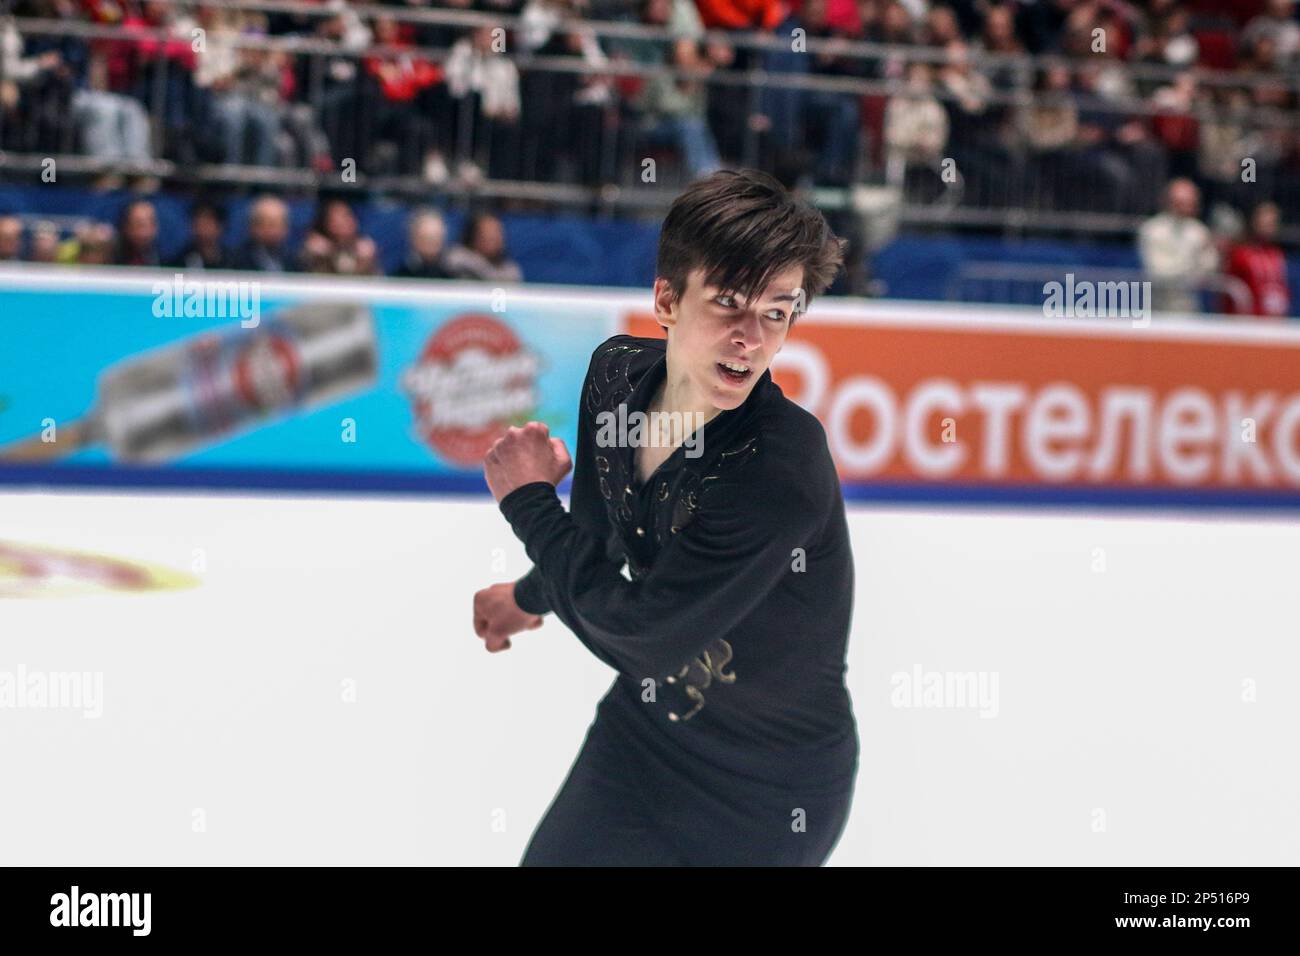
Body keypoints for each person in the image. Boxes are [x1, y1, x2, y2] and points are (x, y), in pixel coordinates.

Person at [475, 168, 858, 866]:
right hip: (642, 743)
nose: (751, 337)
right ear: (667, 299)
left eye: (777, 312)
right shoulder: (616, 375)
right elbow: (592, 540)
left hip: (769, 792)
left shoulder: (779, 468)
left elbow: (644, 635)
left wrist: (529, 503)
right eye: (729, 305)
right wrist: (529, 598)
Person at [1138, 177, 1218, 314]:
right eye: (1181, 202)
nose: (1186, 207)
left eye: (1190, 202)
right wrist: (1194, 259)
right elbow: (1158, 272)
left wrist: (1192, 271)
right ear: (1169, 201)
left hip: (1191, 309)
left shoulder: (1199, 230)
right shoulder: (1153, 230)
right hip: (1159, 309)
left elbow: (1209, 268)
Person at [1222, 202, 1291, 319]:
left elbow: (1282, 286)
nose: (1269, 226)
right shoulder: (1239, 253)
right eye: (1265, 222)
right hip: (1249, 321)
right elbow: (1229, 290)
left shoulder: (1276, 253)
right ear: (1254, 221)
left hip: (1275, 318)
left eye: (1273, 223)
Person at [443, 211, 523, 282]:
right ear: (473, 235)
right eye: (486, 233)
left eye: (496, 233)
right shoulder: (458, 260)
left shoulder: (510, 270)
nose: (493, 238)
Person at [230, 195, 295, 272]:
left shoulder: (293, 259)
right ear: (253, 226)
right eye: (271, 224)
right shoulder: (236, 259)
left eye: (280, 224)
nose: (275, 231)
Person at [169, 200, 230, 270]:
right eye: (198, 221)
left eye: (208, 222)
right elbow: (177, 278)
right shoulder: (180, 261)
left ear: (220, 226)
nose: (202, 227)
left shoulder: (232, 261)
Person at [393, 209, 453, 279]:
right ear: (414, 239)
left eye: (437, 236)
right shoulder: (402, 274)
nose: (433, 242)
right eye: (427, 238)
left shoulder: (455, 271)